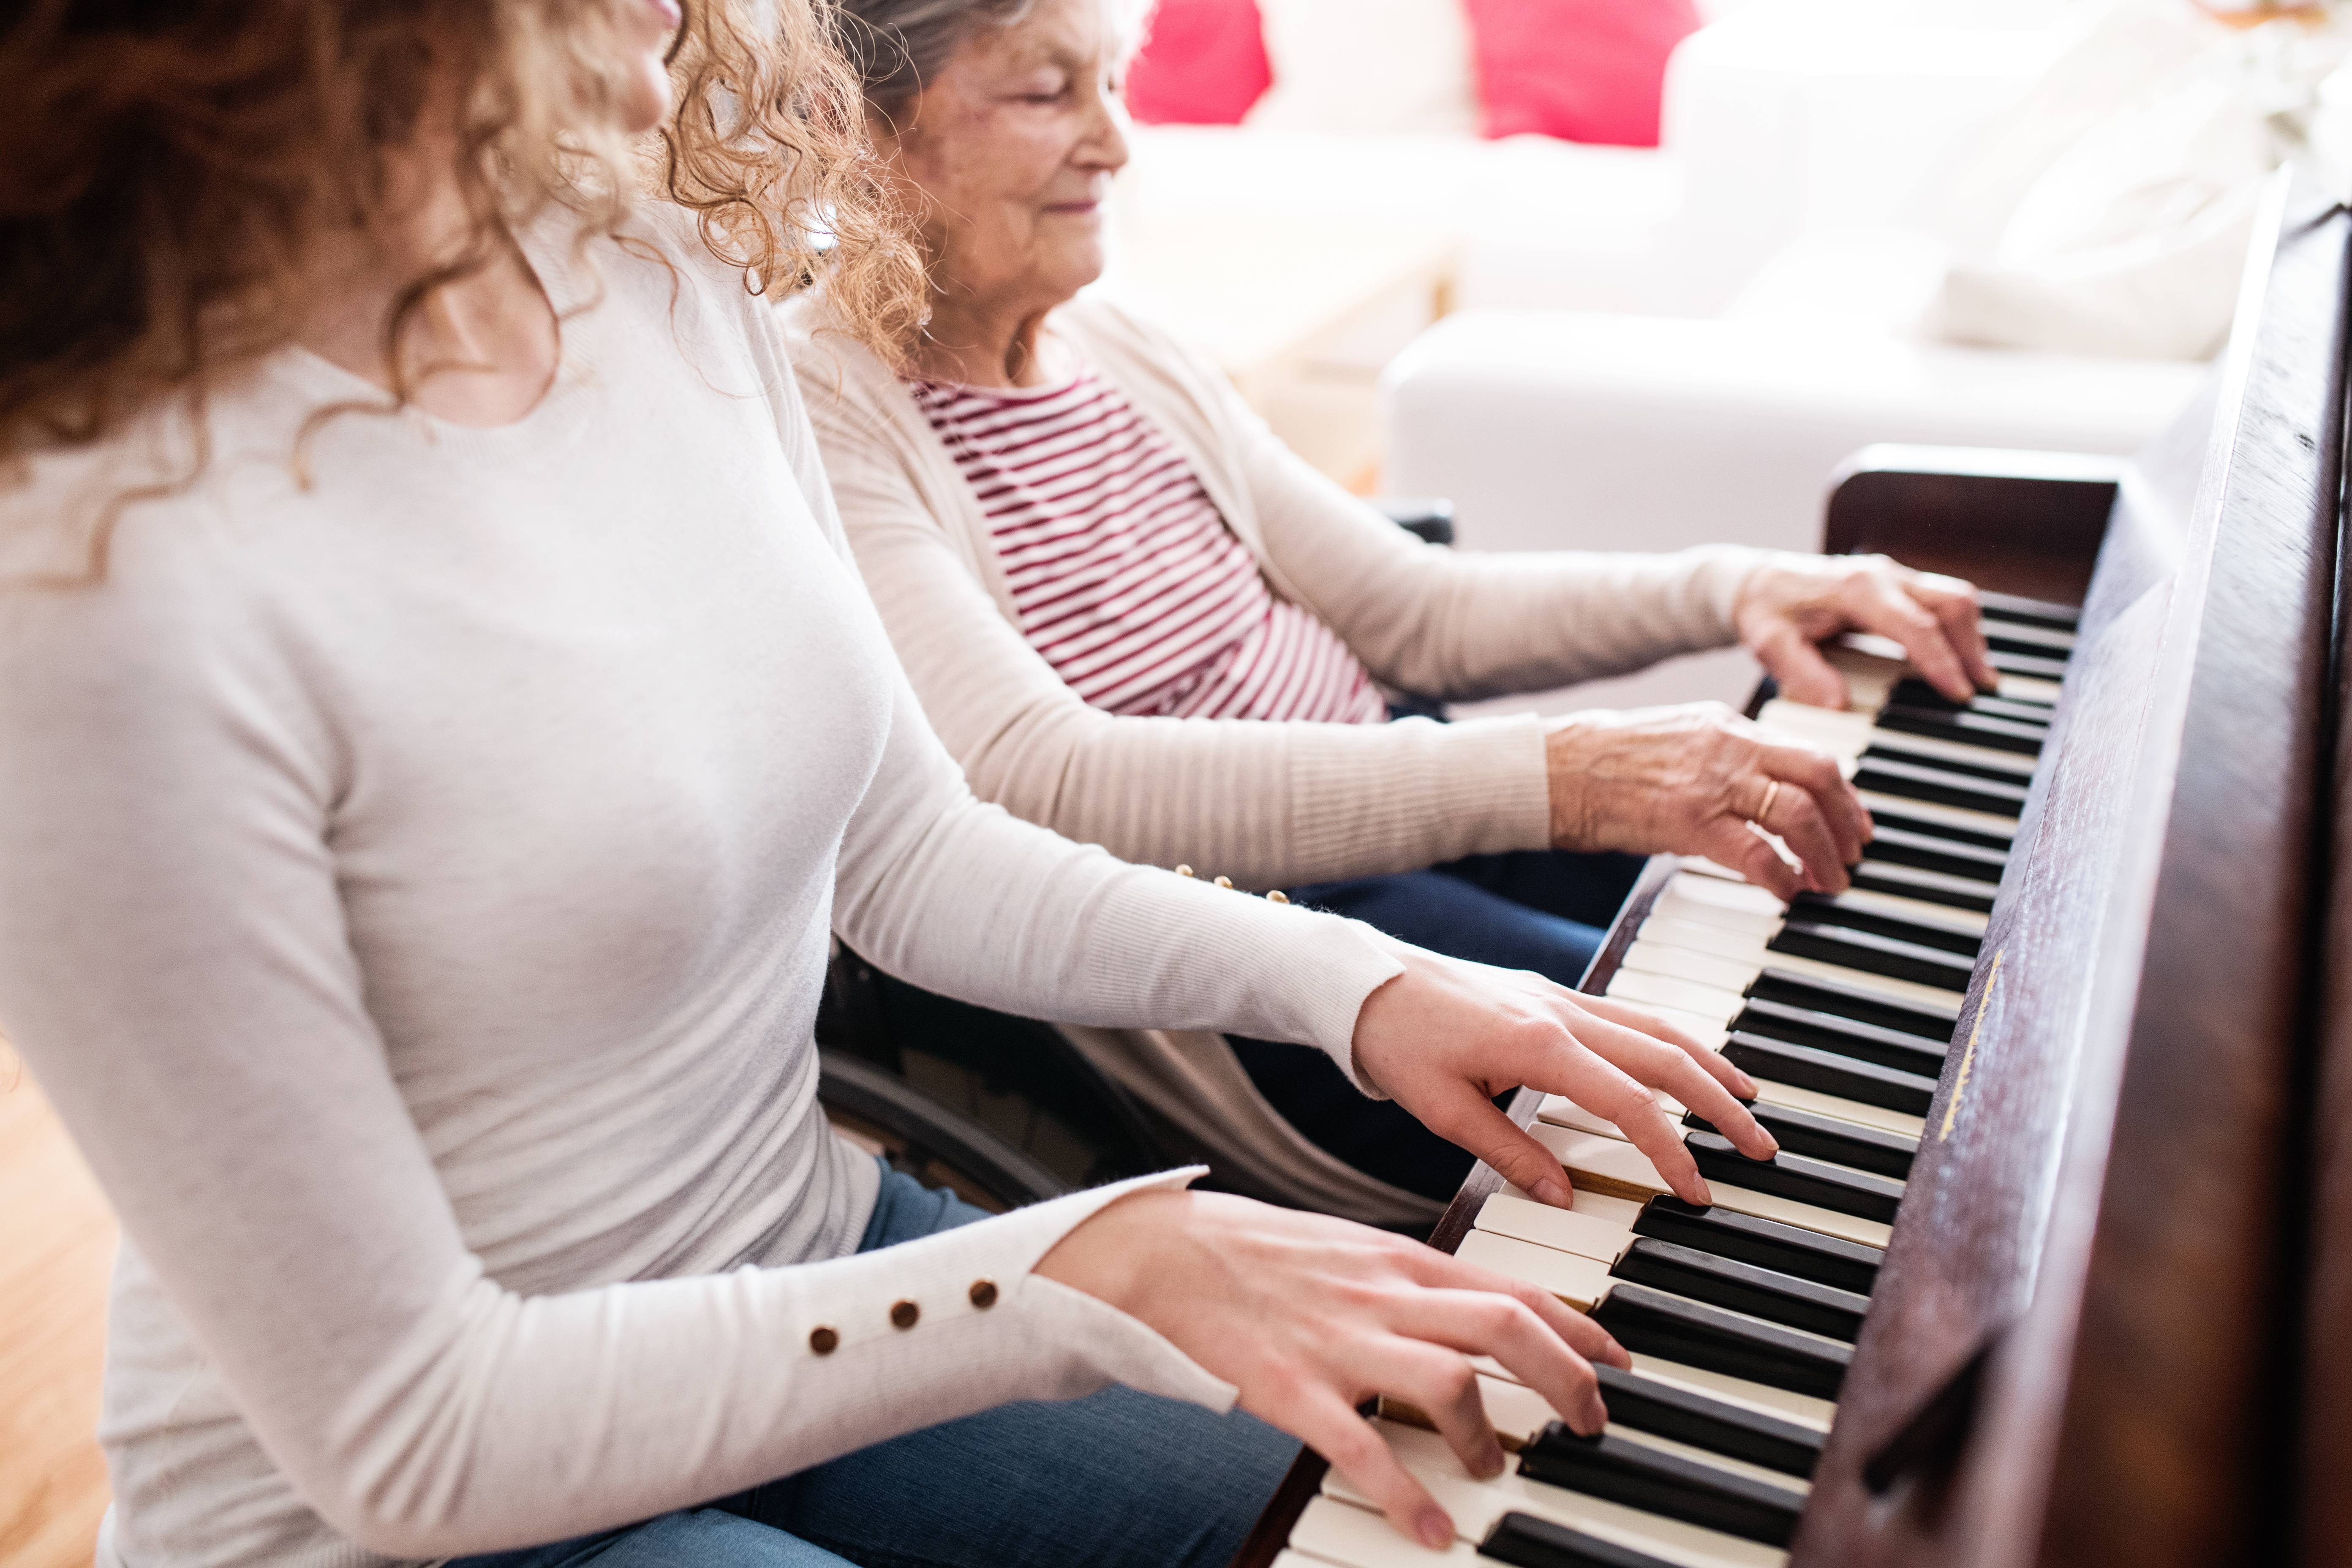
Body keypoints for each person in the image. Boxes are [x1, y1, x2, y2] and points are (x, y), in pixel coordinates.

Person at [0, 3, 1785, 1567]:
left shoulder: (658, 272)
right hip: (437, 1519)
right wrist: (1085, 1275)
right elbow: (416, 1433)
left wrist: (1366, 985)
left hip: (810, 1262)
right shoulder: (100, 572)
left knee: (1481, 1491)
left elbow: (915, 851)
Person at [787, 0, 1997, 1208]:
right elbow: (1049, 780)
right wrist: (1570, 777)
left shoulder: (1118, 343)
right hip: (1250, 945)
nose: (1113, 143)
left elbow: (1408, 608)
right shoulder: (823, 414)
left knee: (1854, 952)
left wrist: (1733, 586)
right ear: (857, 128)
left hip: (1395, 800)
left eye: (1111, 87)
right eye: (1048, 94)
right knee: (1772, 1088)